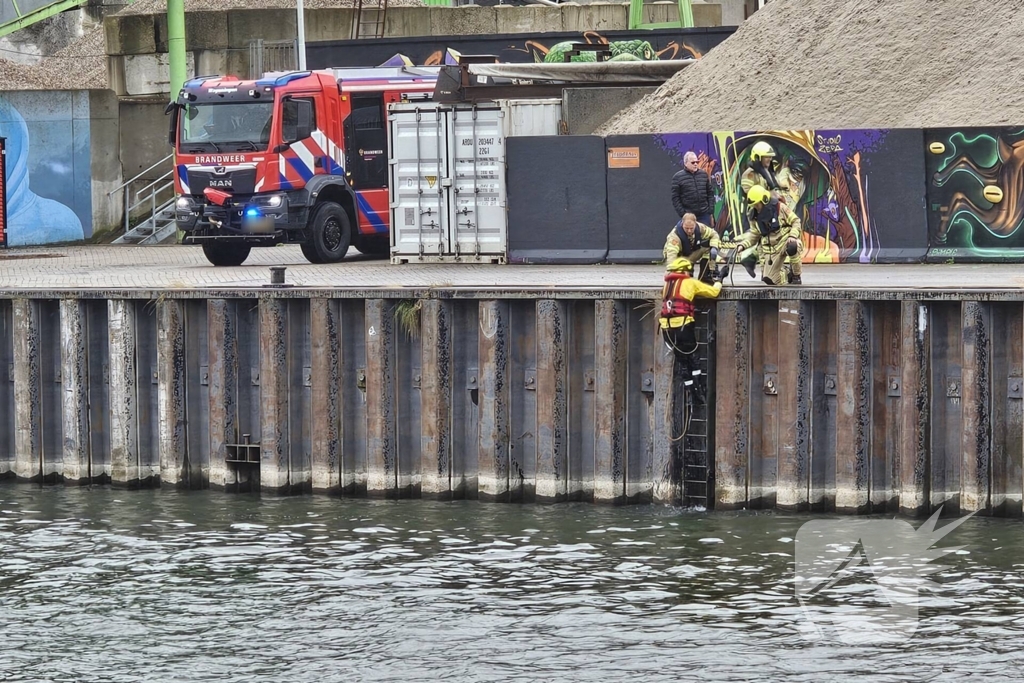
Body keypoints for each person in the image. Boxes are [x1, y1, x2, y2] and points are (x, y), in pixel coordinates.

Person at [659, 255, 722, 404]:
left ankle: (689, 390)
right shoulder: (689, 282)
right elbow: (713, 293)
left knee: (681, 360)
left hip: (666, 330)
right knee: (693, 357)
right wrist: (719, 280)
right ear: (686, 271)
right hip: (682, 327)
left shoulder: (666, 286)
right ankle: (699, 390)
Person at [732, 185, 804, 286]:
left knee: (792, 247)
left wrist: (793, 236)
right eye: (754, 205)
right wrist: (743, 245)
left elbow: (796, 221)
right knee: (770, 280)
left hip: (785, 241)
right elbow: (754, 234)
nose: (756, 207)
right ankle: (788, 274)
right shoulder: (754, 217)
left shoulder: (780, 208)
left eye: (757, 204)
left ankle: (796, 275)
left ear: (764, 200)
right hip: (772, 250)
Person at [663, 212, 728, 282]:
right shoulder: (674, 237)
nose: (689, 231)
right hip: (678, 259)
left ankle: (705, 275)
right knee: (684, 280)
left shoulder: (700, 227)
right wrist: (670, 272)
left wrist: (714, 248)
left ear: (695, 223)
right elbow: (671, 256)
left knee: (708, 248)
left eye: (691, 228)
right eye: (686, 228)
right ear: (682, 224)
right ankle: (686, 270)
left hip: (690, 254)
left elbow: (714, 234)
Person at [671, 151, 715, 226]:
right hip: (688, 216)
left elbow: (710, 193)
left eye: (697, 162)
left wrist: (710, 210)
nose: (695, 164)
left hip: (704, 215)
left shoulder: (703, 175)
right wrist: (683, 214)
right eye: (692, 162)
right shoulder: (677, 177)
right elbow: (675, 198)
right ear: (685, 163)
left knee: (705, 236)